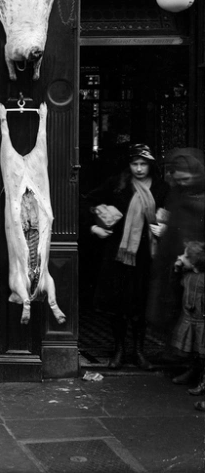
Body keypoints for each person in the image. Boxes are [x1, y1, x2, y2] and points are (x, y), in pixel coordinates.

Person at [84, 144, 168, 370]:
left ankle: (139, 352)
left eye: (143, 164)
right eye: (135, 164)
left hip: (146, 254)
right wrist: (94, 227)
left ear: (151, 165)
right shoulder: (117, 184)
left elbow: (171, 216)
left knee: (140, 305)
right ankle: (119, 350)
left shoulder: (161, 188)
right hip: (118, 253)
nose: (139, 169)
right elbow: (87, 201)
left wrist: (166, 229)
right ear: (128, 165)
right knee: (118, 305)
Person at [150, 148, 205, 386]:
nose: (182, 183)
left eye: (186, 179)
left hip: (199, 268)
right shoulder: (179, 193)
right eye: (178, 179)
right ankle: (190, 366)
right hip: (180, 266)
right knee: (186, 318)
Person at [169, 241, 205, 404]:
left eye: (185, 256)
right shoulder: (188, 275)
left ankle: (203, 381)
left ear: (195, 262)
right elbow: (176, 281)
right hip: (191, 319)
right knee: (194, 349)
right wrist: (177, 267)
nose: (180, 257)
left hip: (201, 321)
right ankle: (193, 371)